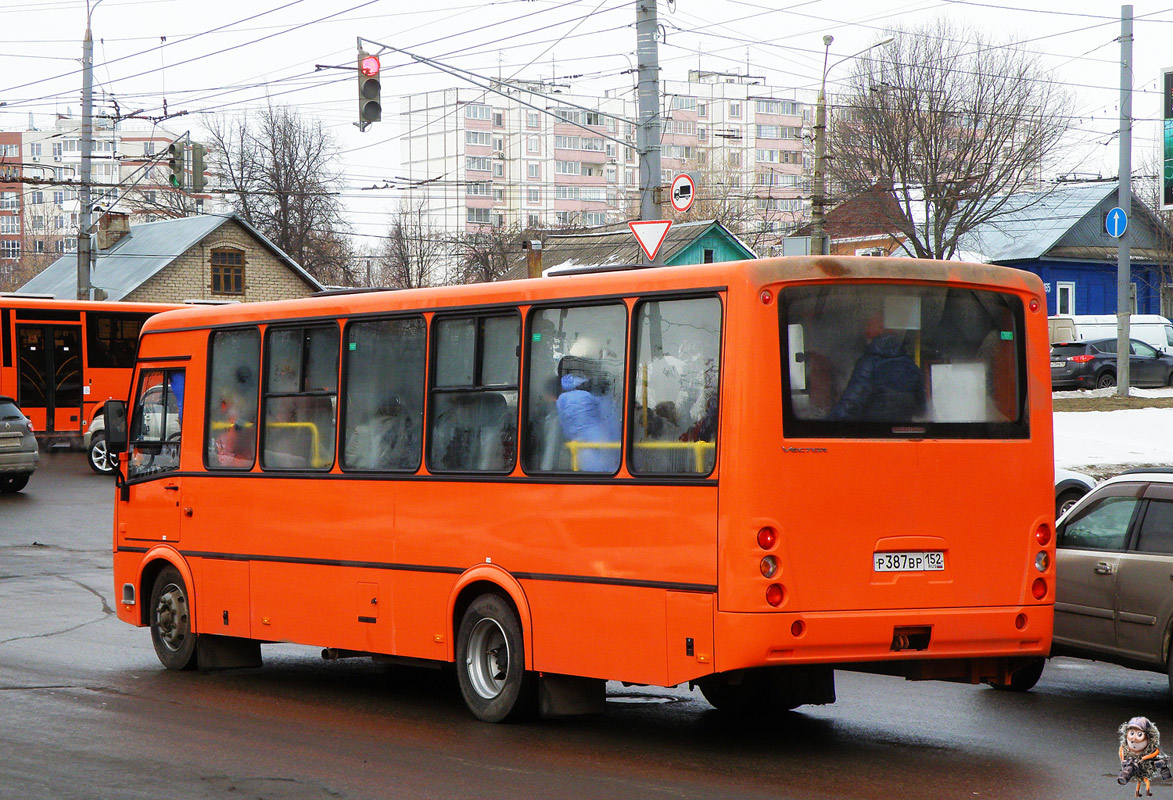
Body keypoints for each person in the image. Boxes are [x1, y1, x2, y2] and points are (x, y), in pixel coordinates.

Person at [826, 317, 924, 421]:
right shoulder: (911, 365)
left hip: (873, 432)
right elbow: (921, 409)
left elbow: (851, 403)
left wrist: (826, 425)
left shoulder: (868, 364)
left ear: (870, 338)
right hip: (901, 433)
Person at [556, 371, 621, 473]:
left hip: (580, 445)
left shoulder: (561, 400)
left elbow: (565, 426)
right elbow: (609, 421)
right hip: (602, 443)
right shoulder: (593, 398)